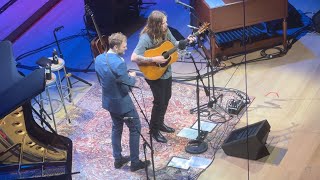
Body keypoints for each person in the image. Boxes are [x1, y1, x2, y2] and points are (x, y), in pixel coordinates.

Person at [131, 10, 195, 143]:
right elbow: (134, 57)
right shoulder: (146, 38)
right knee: (159, 101)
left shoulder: (166, 32)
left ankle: (160, 123)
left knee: (167, 98)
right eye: (164, 23)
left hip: (166, 71)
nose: (166, 24)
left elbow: (174, 44)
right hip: (153, 73)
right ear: (156, 24)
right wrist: (154, 59)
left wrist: (185, 41)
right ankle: (153, 130)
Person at [95, 32, 150, 172]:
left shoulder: (99, 59)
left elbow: (103, 80)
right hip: (122, 104)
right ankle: (135, 163)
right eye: (124, 47)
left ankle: (118, 160)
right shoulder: (119, 63)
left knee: (116, 127)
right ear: (115, 46)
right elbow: (127, 85)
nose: (126, 49)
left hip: (109, 102)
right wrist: (132, 77)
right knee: (135, 128)